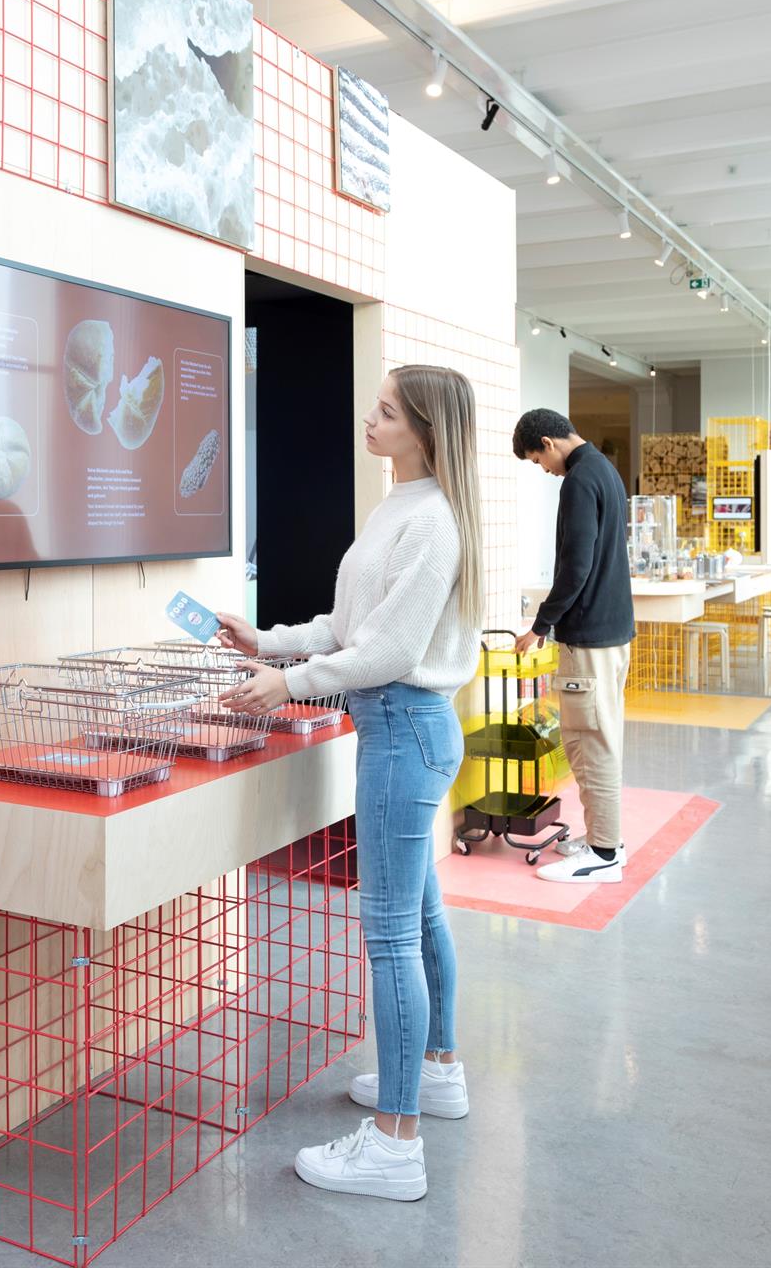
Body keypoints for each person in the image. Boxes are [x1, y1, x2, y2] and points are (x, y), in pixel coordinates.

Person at [215, 364, 483, 1203]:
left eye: (388, 412)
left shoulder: (432, 523)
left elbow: (391, 652)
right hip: (399, 727)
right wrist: (267, 642)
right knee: (420, 912)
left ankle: (397, 1144)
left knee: (391, 933)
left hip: (403, 725)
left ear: (426, 432)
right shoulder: (397, 509)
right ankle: (436, 1070)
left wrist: (289, 684)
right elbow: (346, 627)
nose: (370, 419)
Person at [512, 408, 635, 884]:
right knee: (597, 737)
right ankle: (605, 838)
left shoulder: (580, 480)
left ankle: (604, 854)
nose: (542, 469)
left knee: (590, 743)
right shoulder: (605, 470)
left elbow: (575, 565)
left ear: (548, 441)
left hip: (589, 638)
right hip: (612, 632)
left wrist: (541, 624)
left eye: (536, 459)